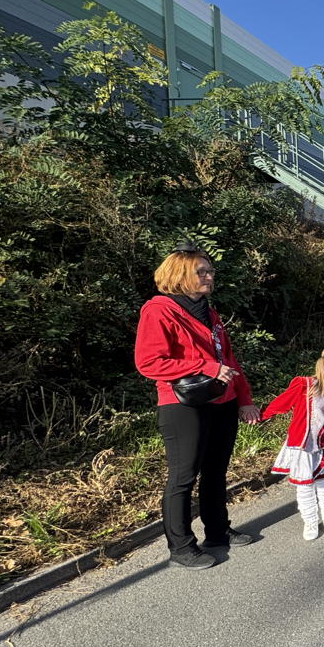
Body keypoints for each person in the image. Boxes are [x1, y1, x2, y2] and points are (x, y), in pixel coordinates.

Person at [134, 243, 260, 570]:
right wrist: (205, 366)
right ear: (179, 275)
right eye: (201, 272)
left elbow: (228, 359)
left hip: (222, 400)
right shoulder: (158, 310)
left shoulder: (208, 312)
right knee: (183, 477)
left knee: (216, 471)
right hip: (182, 404)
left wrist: (244, 400)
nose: (209, 277)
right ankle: (181, 547)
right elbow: (149, 362)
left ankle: (217, 532)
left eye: (210, 271)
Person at [259, 350, 324, 540]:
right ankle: (310, 521)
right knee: (305, 487)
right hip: (302, 447)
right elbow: (281, 403)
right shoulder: (304, 385)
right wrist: (260, 416)